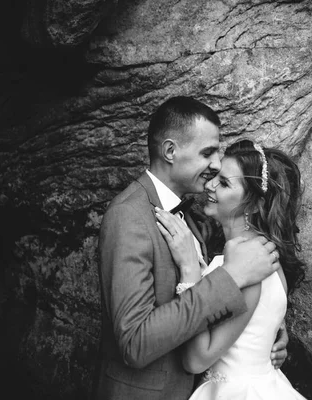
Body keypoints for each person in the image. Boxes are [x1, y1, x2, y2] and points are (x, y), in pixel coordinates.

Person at [93, 97, 289, 400]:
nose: (214, 165)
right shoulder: (129, 216)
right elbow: (134, 344)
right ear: (170, 151)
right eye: (208, 152)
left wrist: (266, 336)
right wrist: (232, 277)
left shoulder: (190, 217)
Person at [155, 139, 306, 399]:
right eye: (216, 176)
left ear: (255, 204)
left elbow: (195, 361)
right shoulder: (261, 252)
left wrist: (190, 272)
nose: (210, 185)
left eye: (224, 183)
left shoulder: (251, 265)